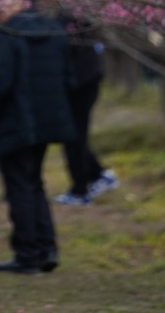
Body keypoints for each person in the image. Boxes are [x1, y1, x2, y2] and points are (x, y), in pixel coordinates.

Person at [0, 0, 76, 275]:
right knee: (35, 183)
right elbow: (68, 77)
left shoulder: (10, 33)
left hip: (16, 120)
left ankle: (27, 254)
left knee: (19, 187)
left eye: (3, 0)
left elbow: (2, 82)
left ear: (20, 3)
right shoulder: (55, 31)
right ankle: (46, 247)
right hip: (47, 121)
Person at [54, 12, 119, 205]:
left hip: (79, 86)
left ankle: (81, 189)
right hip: (84, 83)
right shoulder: (75, 18)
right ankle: (99, 174)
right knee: (75, 136)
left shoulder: (67, 21)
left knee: (74, 137)